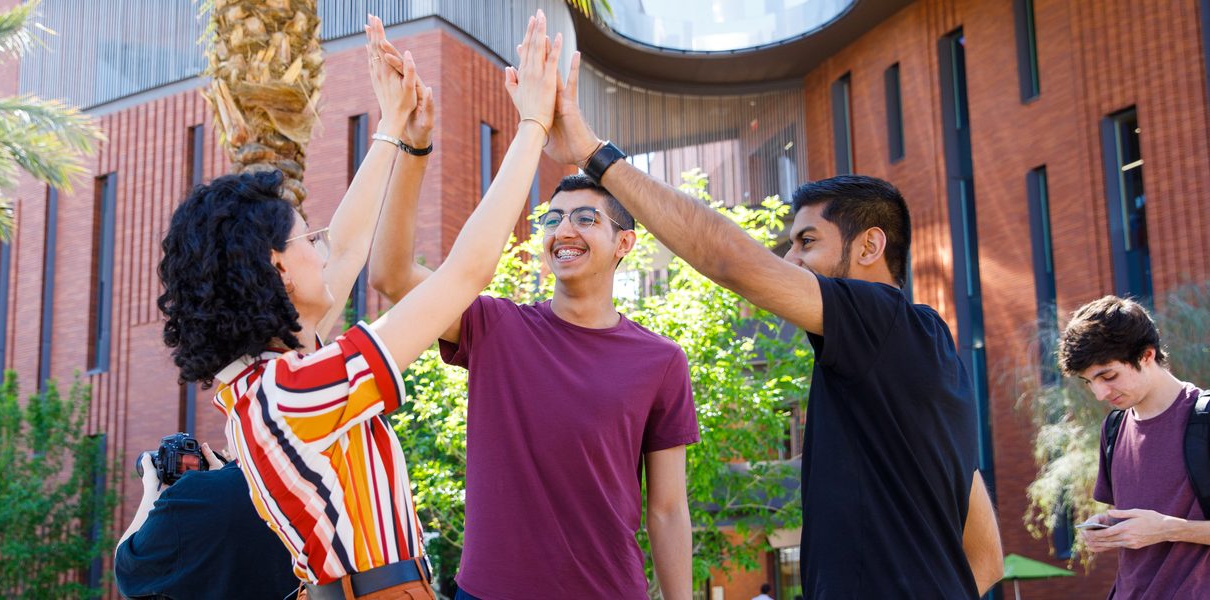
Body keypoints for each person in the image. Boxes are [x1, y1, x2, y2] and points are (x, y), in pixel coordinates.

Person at [535, 52, 1003, 598]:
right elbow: (986, 559)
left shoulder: (881, 319)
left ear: (871, 244)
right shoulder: (930, 358)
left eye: (807, 242)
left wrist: (593, 153)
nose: (792, 262)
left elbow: (732, 262)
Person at [156, 12, 561, 599]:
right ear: (276, 268)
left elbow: (348, 244)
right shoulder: (292, 392)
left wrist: (393, 127)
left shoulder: (268, 383)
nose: (322, 252)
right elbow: (463, 274)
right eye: (306, 240)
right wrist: (531, 127)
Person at [369, 41, 697, 599]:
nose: (563, 231)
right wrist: (414, 147)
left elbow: (667, 510)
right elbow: (393, 276)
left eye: (585, 218)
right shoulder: (495, 327)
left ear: (624, 243)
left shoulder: (661, 361)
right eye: (552, 218)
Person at [1061, 296, 1210, 597]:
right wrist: (1109, 526)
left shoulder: (1205, 419)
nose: (1100, 393)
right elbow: (1137, 518)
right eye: (1089, 382)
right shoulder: (1113, 429)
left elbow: (1159, 524)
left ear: (1146, 355)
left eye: (1108, 376)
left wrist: (1169, 528)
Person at [115, 443, 300, 599]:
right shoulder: (310, 487)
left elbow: (127, 570)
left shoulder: (191, 495)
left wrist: (151, 491)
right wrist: (224, 482)